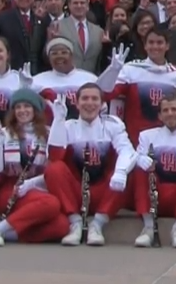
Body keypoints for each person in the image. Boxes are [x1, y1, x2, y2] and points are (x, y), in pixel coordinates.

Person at [45, 83, 135, 246]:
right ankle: (75, 223)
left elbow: (128, 151)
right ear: (77, 103)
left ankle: (97, 225)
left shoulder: (113, 126)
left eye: (95, 99)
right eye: (85, 98)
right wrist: (58, 121)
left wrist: (121, 171)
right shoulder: (67, 127)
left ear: (102, 104)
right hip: (75, 193)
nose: (90, 103)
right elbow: (54, 157)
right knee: (54, 169)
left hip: (104, 192)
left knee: (128, 169)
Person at [0, 88, 71, 246]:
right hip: (10, 190)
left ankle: (5, 233)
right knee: (51, 204)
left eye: (27, 106)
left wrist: (59, 120)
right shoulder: (4, 133)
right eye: (18, 107)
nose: (22, 111)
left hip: (38, 188)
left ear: (35, 110)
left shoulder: (48, 133)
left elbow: (55, 162)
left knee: (62, 226)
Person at [126, 95, 176, 248]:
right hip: (155, 195)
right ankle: (148, 227)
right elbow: (135, 158)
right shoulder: (147, 136)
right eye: (165, 110)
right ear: (159, 115)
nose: (170, 113)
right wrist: (140, 159)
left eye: (174, 109)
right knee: (140, 169)